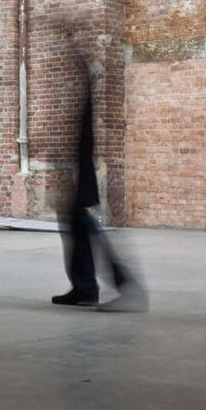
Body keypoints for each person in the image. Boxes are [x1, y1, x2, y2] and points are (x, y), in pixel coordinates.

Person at [52, 77, 148, 312]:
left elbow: (83, 123)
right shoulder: (75, 69)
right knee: (76, 221)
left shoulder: (79, 69)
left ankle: (126, 286)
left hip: (79, 160)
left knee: (82, 221)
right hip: (77, 160)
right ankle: (85, 287)